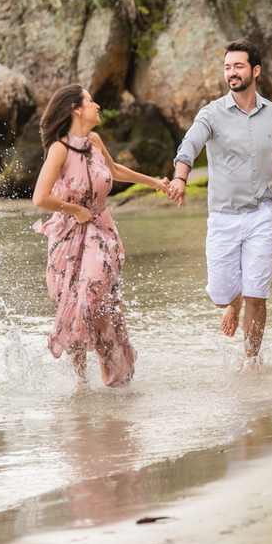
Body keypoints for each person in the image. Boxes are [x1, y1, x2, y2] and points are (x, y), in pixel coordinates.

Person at [167, 39, 272, 368]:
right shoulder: (212, 114)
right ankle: (233, 301)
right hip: (223, 217)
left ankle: (251, 361)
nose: (231, 72)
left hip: (263, 214)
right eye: (228, 67)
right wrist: (179, 177)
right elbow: (190, 144)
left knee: (258, 293)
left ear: (255, 71)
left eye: (239, 66)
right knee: (222, 294)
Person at [32, 84, 169, 388]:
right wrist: (74, 208)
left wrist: (155, 184)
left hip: (102, 231)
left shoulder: (93, 141)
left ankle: (112, 376)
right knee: (77, 300)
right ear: (76, 109)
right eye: (91, 101)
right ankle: (80, 382)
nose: (97, 106)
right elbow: (40, 198)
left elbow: (115, 170)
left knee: (99, 299)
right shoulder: (59, 149)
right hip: (69, 235)